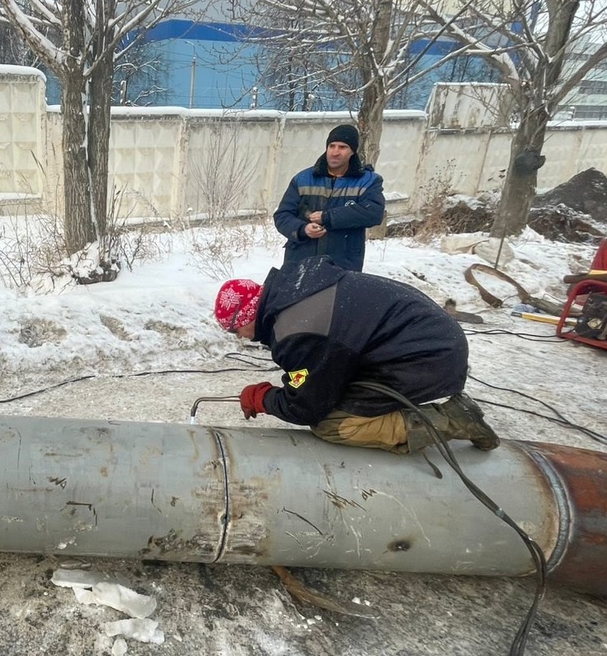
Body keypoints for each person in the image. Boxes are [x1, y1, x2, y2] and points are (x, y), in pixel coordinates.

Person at [214, 256, 500, 453]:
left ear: (247, 316)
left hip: (427, 356)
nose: (241, 337)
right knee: (335, 390)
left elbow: (306, 406)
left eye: (236, 330)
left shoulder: (295, 330)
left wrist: (264, 399)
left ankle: (453, 419)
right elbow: (315, 373)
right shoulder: (296, 287)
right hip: (428, 336)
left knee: (333, 424)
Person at [273, 124, 385, 272]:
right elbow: (282, 216)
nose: (335, 152)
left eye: (342, 147)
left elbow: (373, 213)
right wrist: (302, 229)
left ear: (353, 151)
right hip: (300, 262)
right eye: (332, 146)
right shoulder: (303, 179)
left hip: (342, 264)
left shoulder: (368, 181)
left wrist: (328, 217)